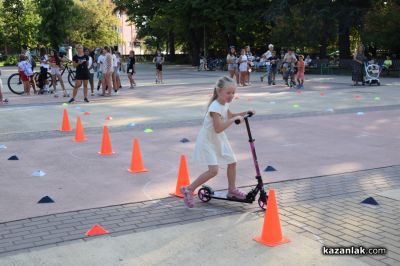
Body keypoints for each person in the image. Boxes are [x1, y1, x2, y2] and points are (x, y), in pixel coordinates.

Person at [179, 76, 254, 208]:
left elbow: (230, 116)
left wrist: (245, 113)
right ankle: (189, 189)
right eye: (228, 93)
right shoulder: (215, 107)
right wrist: (233, 120)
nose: (231, 96)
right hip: (208, 140)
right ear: (219, 91)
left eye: (233, 93)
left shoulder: (224, 103)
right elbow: (219, 128)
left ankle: (232, 190)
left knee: (232, 162)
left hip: (218, 139)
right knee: (213, 170)